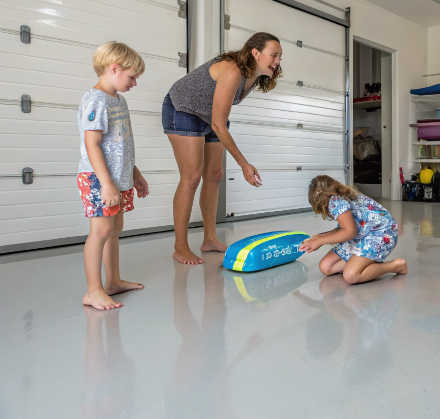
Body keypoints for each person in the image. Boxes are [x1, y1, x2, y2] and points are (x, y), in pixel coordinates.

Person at [163, 32, 282, 265]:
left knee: (215, 175)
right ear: (255, 53)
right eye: (274, 55)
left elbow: (218, 116)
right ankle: (180, 247)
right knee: (192, 177)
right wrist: (244, 164)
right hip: (182, 109)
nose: (277, 61)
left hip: (210, 116)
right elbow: (219, 123)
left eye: (279, 56)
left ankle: (209, 239)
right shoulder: (232, 70)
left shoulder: (254, 76)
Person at [78, 42, 149, 310]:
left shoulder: (119, 99)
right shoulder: (96, 101)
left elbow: (122, 144)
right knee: (100, 231)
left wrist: (135, 173)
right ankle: (93, 291)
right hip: (99, 179)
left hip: (120, 177)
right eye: (132, 77)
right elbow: (92, 144)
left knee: (115, 230)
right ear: (114, 68)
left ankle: (113, 281)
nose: (134, 83)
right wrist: (106, 184)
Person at [299, 175, 407, 284]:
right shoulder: (338, 196)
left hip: (380, 233)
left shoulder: (335, 201)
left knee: (350, 276)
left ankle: (396, 266)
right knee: (326, 266)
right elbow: (345, 227)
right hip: (362, 233)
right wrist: (319, 237)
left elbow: (350, 232)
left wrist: (320, 241)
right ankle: (363, 264)